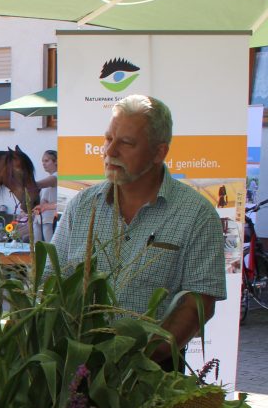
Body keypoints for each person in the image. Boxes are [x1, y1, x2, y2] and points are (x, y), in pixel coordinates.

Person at [53, 95, 224, 367]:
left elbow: (198, 304)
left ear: (159, 152)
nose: (110, 152)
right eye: (108, 139)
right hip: (75, 371)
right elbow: (52, 281)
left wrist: (137, 360)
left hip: (151, 374)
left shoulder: (197, 215)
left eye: (126, 143)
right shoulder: (82, 206)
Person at [33, 149, 58, 242]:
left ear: (56, 162)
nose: (43, 164)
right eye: (43, 161)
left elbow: (36, 185)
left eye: (47, 161)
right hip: (42, 218)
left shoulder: (56, 177)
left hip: (51, 219)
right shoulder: (49, 177)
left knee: (49, 246)